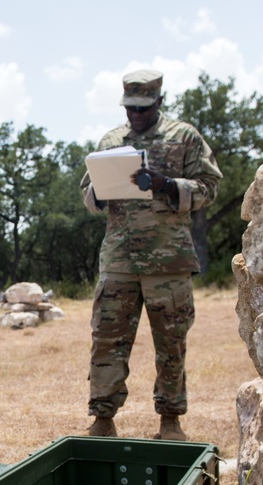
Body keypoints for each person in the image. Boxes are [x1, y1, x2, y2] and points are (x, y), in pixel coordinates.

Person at [80, 69, 222, 441]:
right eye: (130, 108)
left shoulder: (184, 136)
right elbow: (88, 196)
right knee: (107, 340)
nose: (136, 115)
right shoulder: (111, 141)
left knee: (171, 343)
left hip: (168, 261)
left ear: (159, 101)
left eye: (143, 107)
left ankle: (170, 421)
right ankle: (103, 420)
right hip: (119, 261)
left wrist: (167, 184)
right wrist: (102, 191)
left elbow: (209, 187)